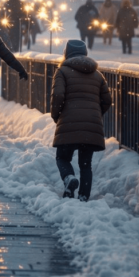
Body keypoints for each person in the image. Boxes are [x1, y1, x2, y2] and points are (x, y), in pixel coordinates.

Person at [50, 39, 111, 201]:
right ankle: (83, 197)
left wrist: (57, 115)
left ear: (66, 54)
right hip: (91, 125)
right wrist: (95, 114)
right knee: (86, 165)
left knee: (62, 157)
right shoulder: (98, 75)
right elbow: (107, 100)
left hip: (68, 122)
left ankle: (69, 178)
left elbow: (58, 95)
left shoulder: (62, 72)